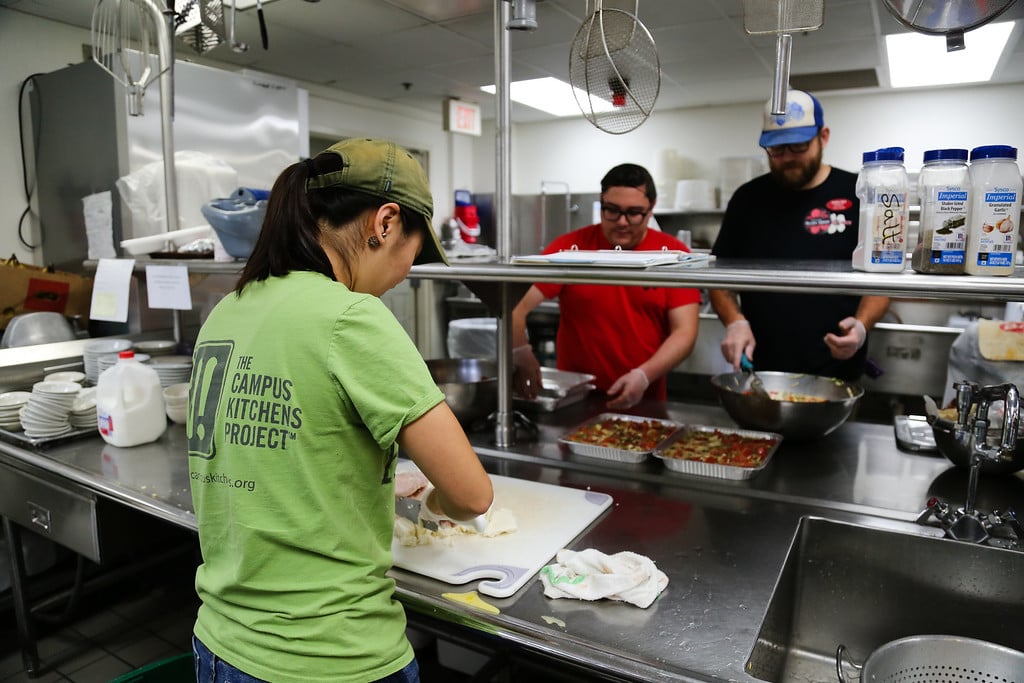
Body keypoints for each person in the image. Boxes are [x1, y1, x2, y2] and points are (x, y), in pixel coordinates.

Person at [186, 138, 494, 683]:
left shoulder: (227, 310)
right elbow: (472, 495)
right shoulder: (352, 317)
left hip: (220, 645)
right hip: (330, 656)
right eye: (414, 254)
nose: (405, 273)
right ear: (386, 222)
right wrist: (434, 502)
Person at [709, 90, 889, 381]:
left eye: (798, 146)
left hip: (836, 371)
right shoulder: (747, 199)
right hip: (759, 368)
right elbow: (718, 278)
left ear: (824, 137)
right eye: (777, 150)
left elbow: (882, 278)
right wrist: (734, 321)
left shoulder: (858, 193)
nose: (788, 158)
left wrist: (861, 325)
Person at [511, 163, 701, 409]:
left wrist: (643, 375)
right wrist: (520, 352)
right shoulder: (571, 249)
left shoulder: (672, 255)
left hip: (646, 397)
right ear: (600, 204)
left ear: (651, 209)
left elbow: (685, 332)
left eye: (634, 213)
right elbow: (515, 305)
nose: (622, 222)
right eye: (611, 210)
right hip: (576, 398)